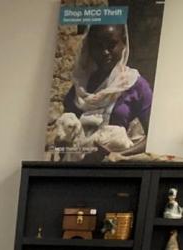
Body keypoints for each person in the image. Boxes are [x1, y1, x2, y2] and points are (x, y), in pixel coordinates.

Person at [61, 24, 152, 156]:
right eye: (98, 46)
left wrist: (117, 156)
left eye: (111, 44)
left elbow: (154, 137)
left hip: (116, 170)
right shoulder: (79, 87)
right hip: (76, 169)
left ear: (124, 43)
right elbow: (65, 135)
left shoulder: (135, 85)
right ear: (89, 47)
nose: (105, 52)